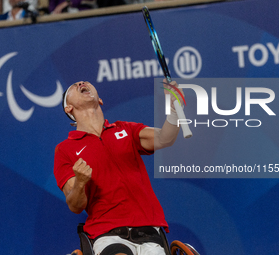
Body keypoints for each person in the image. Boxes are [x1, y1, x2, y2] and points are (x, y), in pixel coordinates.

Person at [54, 80, 184, 255]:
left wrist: (175, 111)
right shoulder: (65, 149)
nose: (81, 83)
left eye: (85, 83)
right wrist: (80, 182)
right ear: (68, 108)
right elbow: (75, 205)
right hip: (107, 234)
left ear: (100, 100)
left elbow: (164, 138)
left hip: (149, 231)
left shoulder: (125, 129)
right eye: (73, 86)